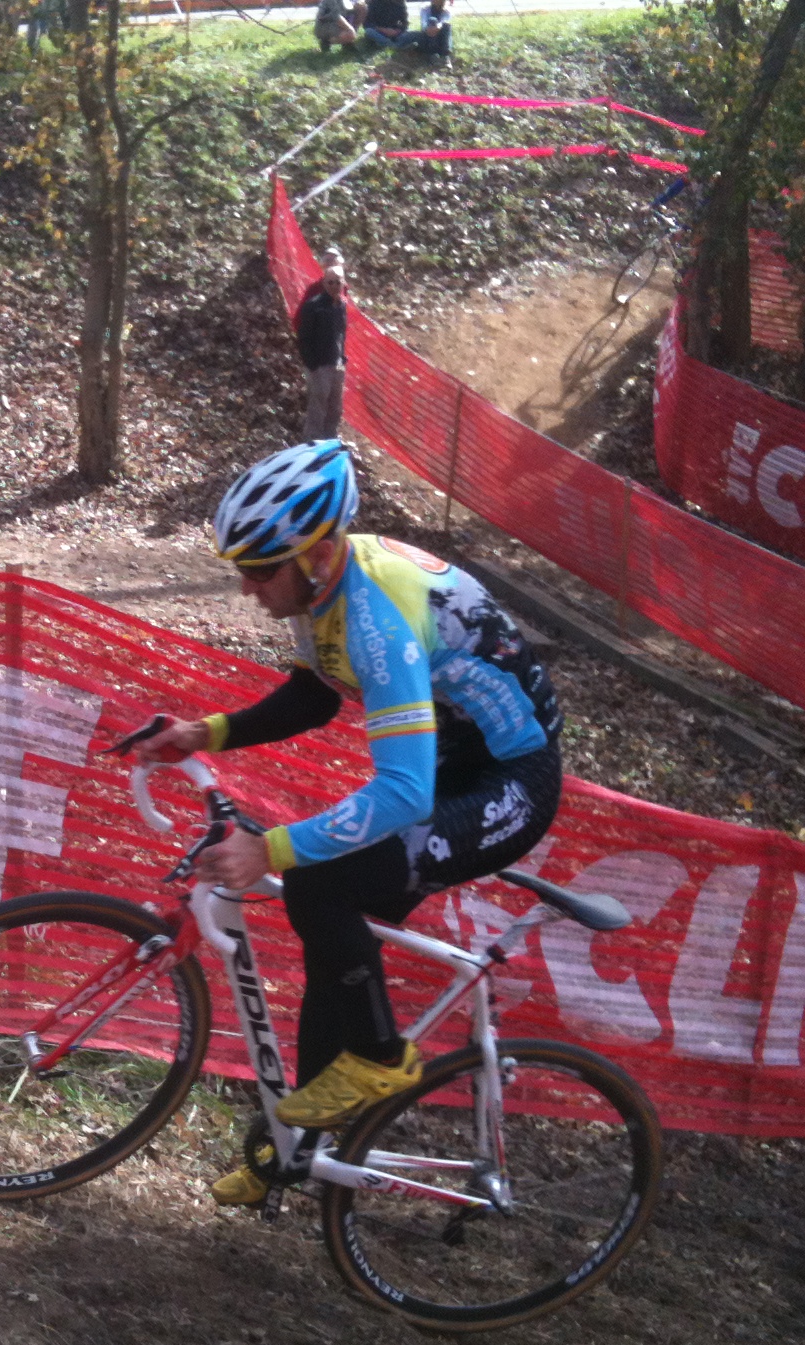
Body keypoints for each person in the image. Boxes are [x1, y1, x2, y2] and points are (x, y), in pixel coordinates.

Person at [133, 440, 564, 1207]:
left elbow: (402, 792)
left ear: (317, 551)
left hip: (509, 781)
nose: (246, 587)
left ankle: (380, 1054)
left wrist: (266, 846)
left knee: (321, 886)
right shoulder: (324, 588)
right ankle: (295, 1152)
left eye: (260, 569)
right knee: (333, 932)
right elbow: (316, 695)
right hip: (453, 765)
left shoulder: (374, 614)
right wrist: (208, 733)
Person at [296, 259, 349, 440]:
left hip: (337, 364)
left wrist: (342, 357)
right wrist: (312, 365)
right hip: (320, 367)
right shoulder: (313, 306)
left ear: (344, 283)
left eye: (338, 282)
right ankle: (312, 445)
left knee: (335, 409)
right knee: (317, 410)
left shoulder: (341, 305)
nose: (335, 286)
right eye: (330, 282)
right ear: (324, 283)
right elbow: (303, 338)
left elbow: (341, 332)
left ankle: (330, 443)